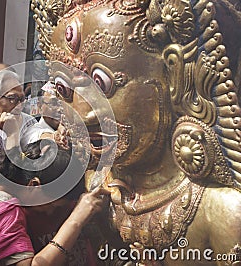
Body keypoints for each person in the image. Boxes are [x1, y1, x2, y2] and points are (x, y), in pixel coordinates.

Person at [32, 0, 241, 264]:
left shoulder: (223, 211)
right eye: (65, 91)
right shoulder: (100, 188)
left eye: (103, 84)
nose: (83, 115)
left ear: (174, 74)